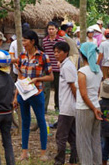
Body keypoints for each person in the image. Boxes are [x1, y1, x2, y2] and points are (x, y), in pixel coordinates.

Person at [12, 30, 53, 161]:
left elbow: (51, 76)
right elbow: (20, 76)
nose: (23, 43)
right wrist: (15, 96)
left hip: (37, 93)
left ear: (33, 41)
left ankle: (43, 152)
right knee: (25, 122)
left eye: (25, 41)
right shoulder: (22, 56)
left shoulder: (43, 57)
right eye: (22, 41)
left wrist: (37, 80)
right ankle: (24, 152)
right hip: (23, 95)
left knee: (41, 121)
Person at [76, 42, 103, 165]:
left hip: (84, 108)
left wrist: (92, 108)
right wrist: (95, 107)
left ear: (82, 55)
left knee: (83, 142)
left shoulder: (82, 72)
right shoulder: (98, 71)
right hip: (96, 106)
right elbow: (96, 92)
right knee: (95, 141)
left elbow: (83, 94)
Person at [53, 42, 78, 165]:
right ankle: (75, 158)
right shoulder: (65, 65)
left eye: (59, 52)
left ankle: (59, 161)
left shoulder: (67, 67)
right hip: (69, 106)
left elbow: (73, 86)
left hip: (68, 107)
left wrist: (77, 101)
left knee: (61, 136)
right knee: (72, 136)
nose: (56, 54)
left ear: (66, 52)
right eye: (55, 52)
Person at [42, 21, 64, 113]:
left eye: (52, 29)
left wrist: (61, 62)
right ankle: (44, 108)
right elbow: (43, 53)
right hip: (47, 68)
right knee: (45, 89)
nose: (50, 31)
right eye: (49, 29)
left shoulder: (61, 41)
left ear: (56, 30)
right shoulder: (44, 41)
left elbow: (65, 53)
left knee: (58, 89)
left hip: (58, 68)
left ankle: (57, 107)